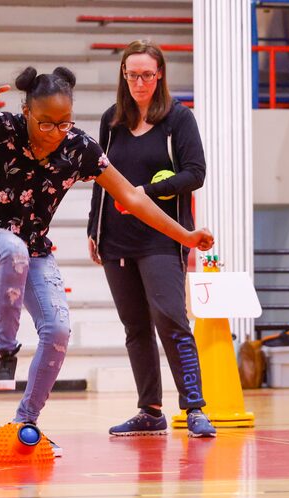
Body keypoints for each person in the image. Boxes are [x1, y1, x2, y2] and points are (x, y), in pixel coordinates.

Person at [0, 66, 214, 455]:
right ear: (26, 111)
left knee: (59, 331)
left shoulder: (78, 146)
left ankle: (26, 420)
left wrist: (185, 236)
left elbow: (130, 197)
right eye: (46, 124)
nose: (55, 134)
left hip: (34, 250)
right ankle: (5, 350)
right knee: (12, 248)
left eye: (65, 123)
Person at [87, 40, 216, 438]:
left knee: (172, 321)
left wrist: (147, 192)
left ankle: (193, 408)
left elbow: (195, 173)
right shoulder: (111, 120)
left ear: (159, 75)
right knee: (135, 326)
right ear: (123, 76)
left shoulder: (179, 120)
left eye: (146, 74)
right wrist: (95, 226)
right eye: (132, 75)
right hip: (116, 240)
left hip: (162, 238)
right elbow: (100, 176)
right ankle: (150, 410)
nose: (139, 82)